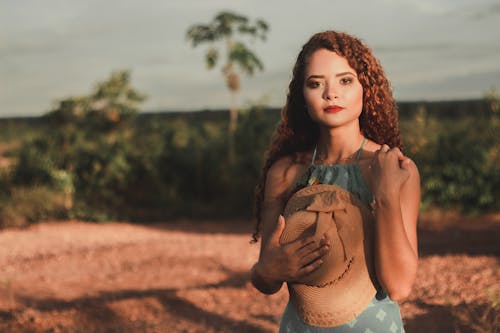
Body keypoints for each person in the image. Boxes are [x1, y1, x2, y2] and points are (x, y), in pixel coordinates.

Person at [250, 30, 420, 332]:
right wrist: (269, 269)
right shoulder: (286, 171)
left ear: (365, 88)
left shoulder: (392, 167)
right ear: (302, 96)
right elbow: (265, 279)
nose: (331, 93)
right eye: (316, 83)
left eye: (345, 80)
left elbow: (399, 287)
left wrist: (385, 197)